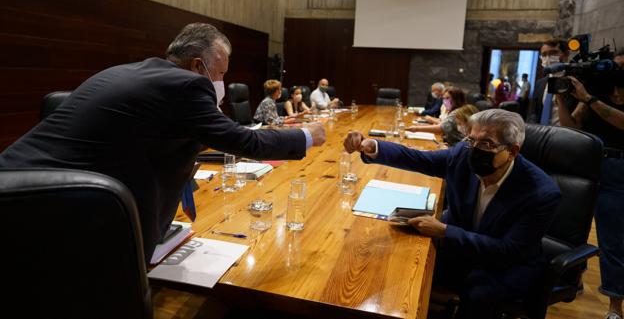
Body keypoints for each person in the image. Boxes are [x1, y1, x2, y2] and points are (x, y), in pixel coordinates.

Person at [0, 23, 326, 264]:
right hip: (38, 206)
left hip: (20, 184)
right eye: (220, 73)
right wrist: (307, 135)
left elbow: (160, 140)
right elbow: (242, 141)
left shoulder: (141, 73)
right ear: (198, 65)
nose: (221, 84)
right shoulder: (186, 86)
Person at [344, 109, 561, 319]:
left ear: (512, 151)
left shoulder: (540, 193)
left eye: (486, 143)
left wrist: (446, 231)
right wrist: (372, 146)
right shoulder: (462, 156)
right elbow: (420, 159)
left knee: (480, 294)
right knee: (403, 261)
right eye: (471, 140)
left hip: (506, 265)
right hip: (462, 247)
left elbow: (509, 251)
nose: (474, 149)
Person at [556, 52, 624, 319]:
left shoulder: (594, 98)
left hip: (618, 169)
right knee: (571, 229)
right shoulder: (595, 94)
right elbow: (571, 125)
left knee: (613, 240)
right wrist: (563, 98)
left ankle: (615, 305)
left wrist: (590, 99)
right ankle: (573, 279)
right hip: (588, 164)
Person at [527, 38, 577, 125]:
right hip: (542, 134)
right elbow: (533, 112)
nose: (548, 58)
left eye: (553, 53)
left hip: (567, 134)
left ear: (566, 54)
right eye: (544, 55)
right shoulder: (540, 83)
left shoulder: (576, 82)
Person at [409, 103, 478, 147]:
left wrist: (451, 151)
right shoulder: (468, 137)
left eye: (459, 124)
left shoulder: (475, 142)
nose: (458, 127)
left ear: (469, 122)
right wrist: (452, 147)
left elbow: (460, 155)